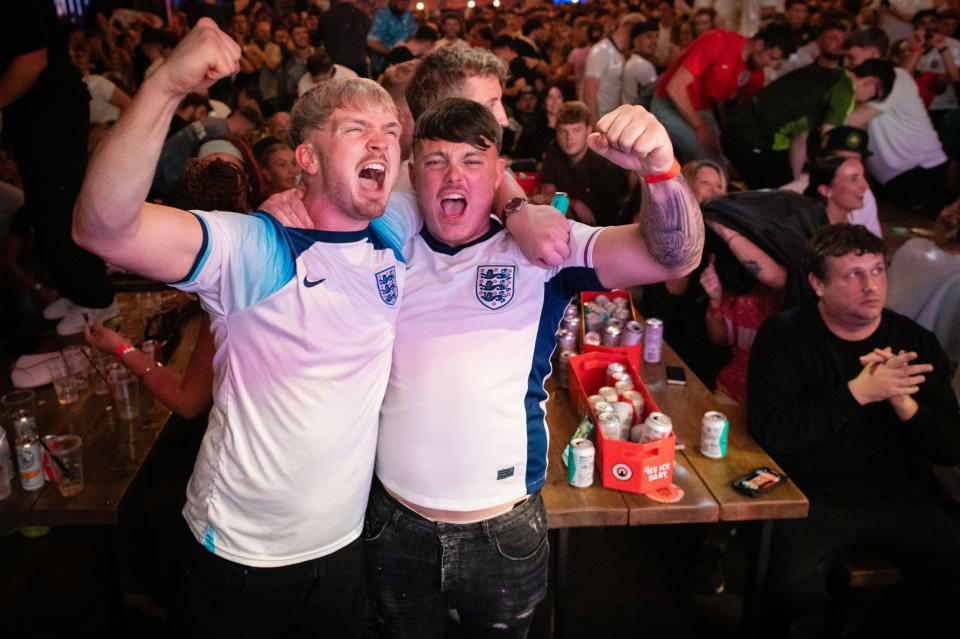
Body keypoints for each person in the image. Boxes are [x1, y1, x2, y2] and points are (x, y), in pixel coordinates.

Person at [71, 20, 415, 636]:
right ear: (305, 157)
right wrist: (165, 85)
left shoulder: (393, 231)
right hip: (239, 558)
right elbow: (102, 229)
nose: (380, 143)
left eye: (389, 132)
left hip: (342, 547)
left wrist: (519, 207)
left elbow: (465, 162)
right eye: (355, 129)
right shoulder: (256, 247)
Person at [367, 97, 703, 639]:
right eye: (435, 161)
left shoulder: (546, 248)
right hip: (394, 523)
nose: (453, 174)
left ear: (499, 173)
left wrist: (660, 171)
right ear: (412, 175)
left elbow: (673, 258)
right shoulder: (383, 248)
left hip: (502, 527)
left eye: (472, 161)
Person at [748, 223, 960, 637]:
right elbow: (773, 432)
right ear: (818, 284)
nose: (871, 286)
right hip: (813, 496)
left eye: (878, 270)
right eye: (853, 274)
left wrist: (903, 403)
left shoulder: (914, 342)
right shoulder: (785, 335)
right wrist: (858, 392)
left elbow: (949, 446)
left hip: (898, 497)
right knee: (789, 594)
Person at [1, 1, 118, 334]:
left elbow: (32, 60)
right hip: (32, 115)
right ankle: (74, 292)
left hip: (52, 113)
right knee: (42, 207)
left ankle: (96, 299)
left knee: (61, 203)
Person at [722, 59, 896, 188]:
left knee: (785, 188)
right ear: (870, 82)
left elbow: (800, 138)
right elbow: (830, 139)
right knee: (777, 198)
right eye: (874, 96)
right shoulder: (846, 91)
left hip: (736, 133)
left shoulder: (828, 73)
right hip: (754, 138)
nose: (866, 102)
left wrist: (796, 182)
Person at [651, 23, 795, 162]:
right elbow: (675, 88)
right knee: (706, 156)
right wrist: (700, 127)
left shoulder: (756, 72)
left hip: (702, 109)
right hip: (667, 102)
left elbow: (745, 112)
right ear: (759, 44)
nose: (771, 65)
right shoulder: (717, 42)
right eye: (772, 58)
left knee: (723, 155)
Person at [540, 101, 631, 227]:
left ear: (589, 130)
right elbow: (548, 194)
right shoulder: (554, 149)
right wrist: (572, 202)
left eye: (576, 130)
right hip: (567, 227)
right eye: (562, 131)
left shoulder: (605, 159)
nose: (569, 138)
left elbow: (625, 205)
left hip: (606, 230)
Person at [582, 13, 645, 124]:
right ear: (628, 27)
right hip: (599, 120)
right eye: (638, 34)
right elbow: (589, 93)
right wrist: (595, 126)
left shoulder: (620, 53)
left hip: (611, 120)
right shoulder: (601, 50)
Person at [367, 0, 417, 77]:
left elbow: (412, 33)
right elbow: (371, 41)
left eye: (407, 3)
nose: (404, 5)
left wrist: (404, 45)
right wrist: (392, 52)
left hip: (404, 62)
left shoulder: (408, 15)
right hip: (382, 64)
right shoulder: (382, 15)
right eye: (402, 2)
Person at [621, 20, 659, 109]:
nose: (654, 41)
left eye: (657, 36)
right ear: (635, 41)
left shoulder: (634, 61)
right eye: (648, 36)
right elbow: (656, 97)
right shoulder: (641, 64)